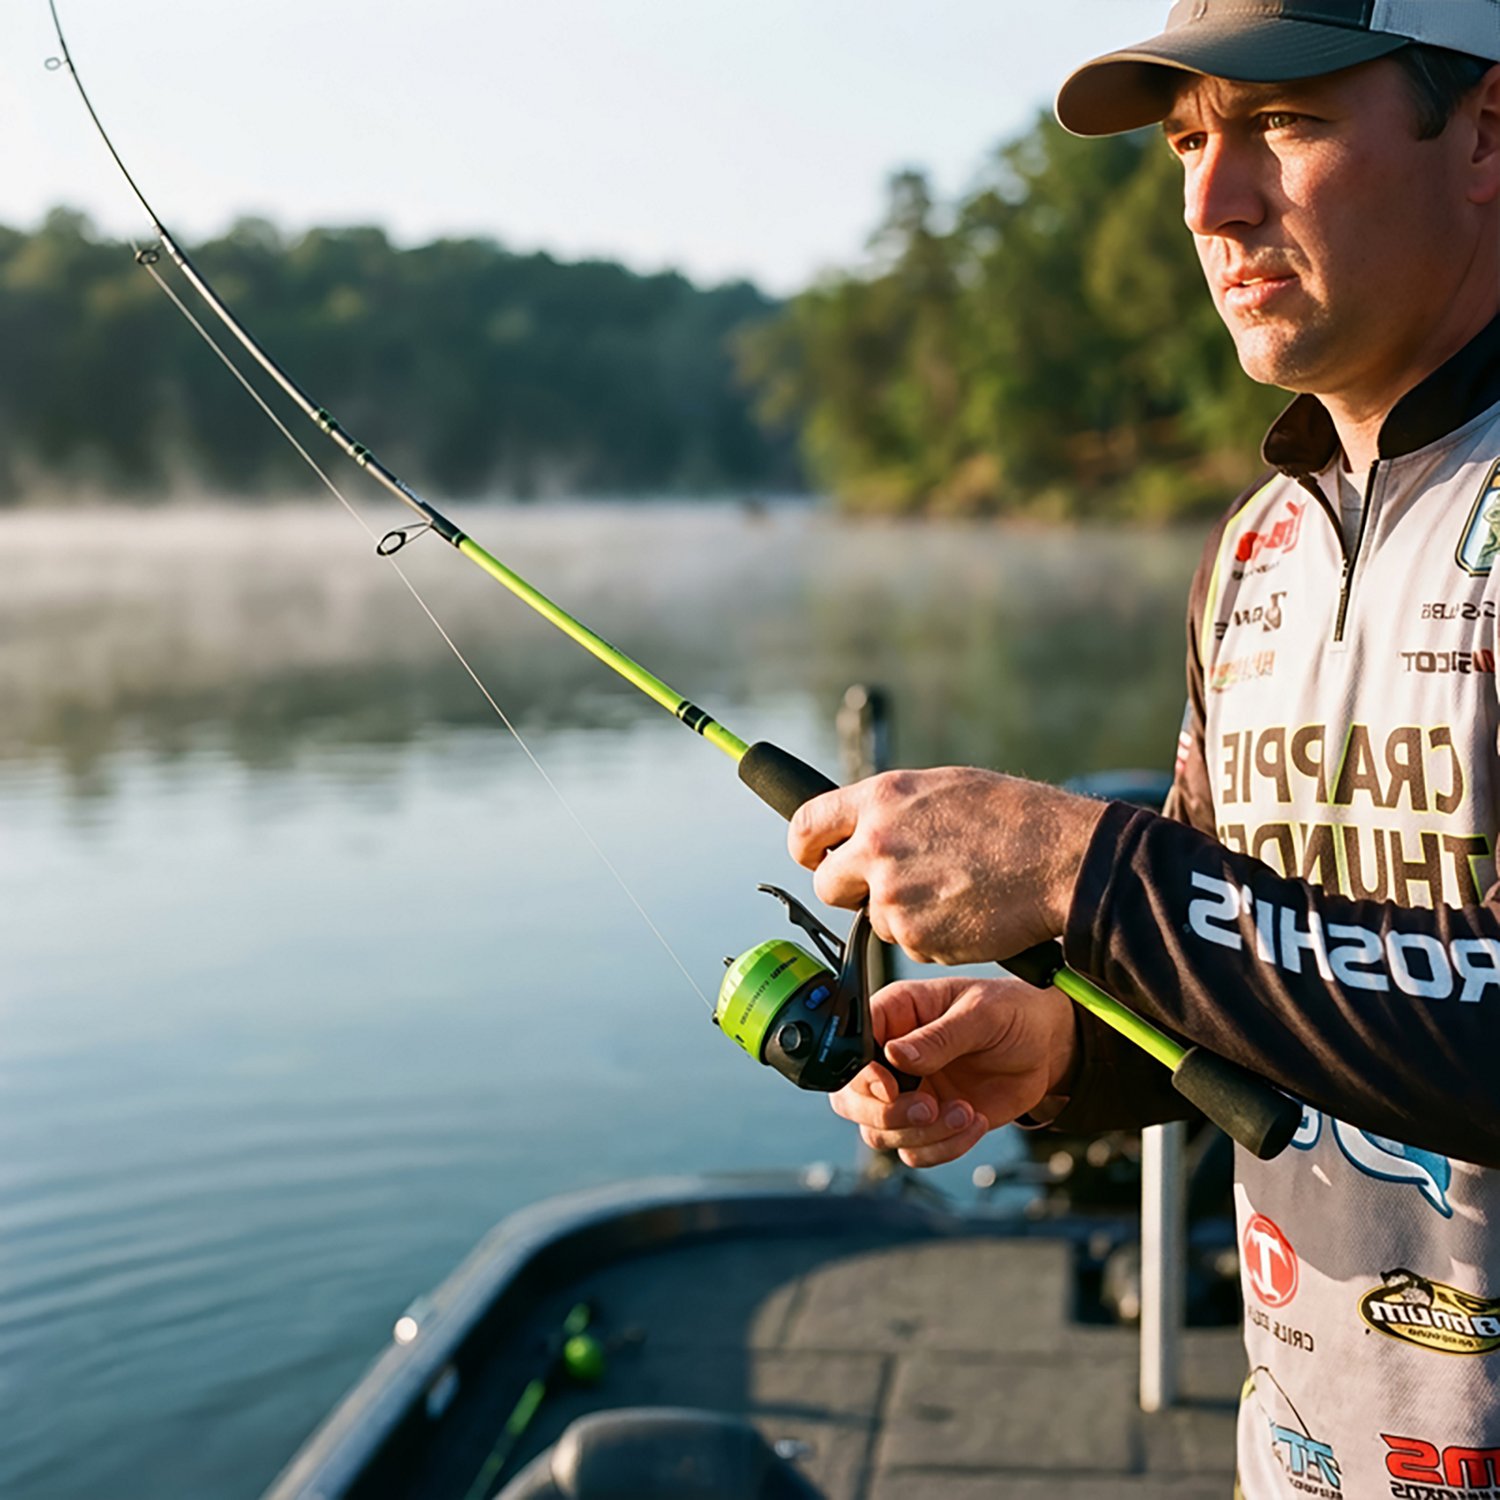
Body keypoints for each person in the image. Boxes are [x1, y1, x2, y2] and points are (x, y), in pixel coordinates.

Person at [788, 3, 1500, 1495]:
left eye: (1285, 122)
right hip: (1309, 1458)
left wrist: (1079, 869)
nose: (1208, 202)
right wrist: (1058, 1052)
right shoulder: (1253, 548)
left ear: (1488, 135)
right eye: (1188, 141)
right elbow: (1255, 956)